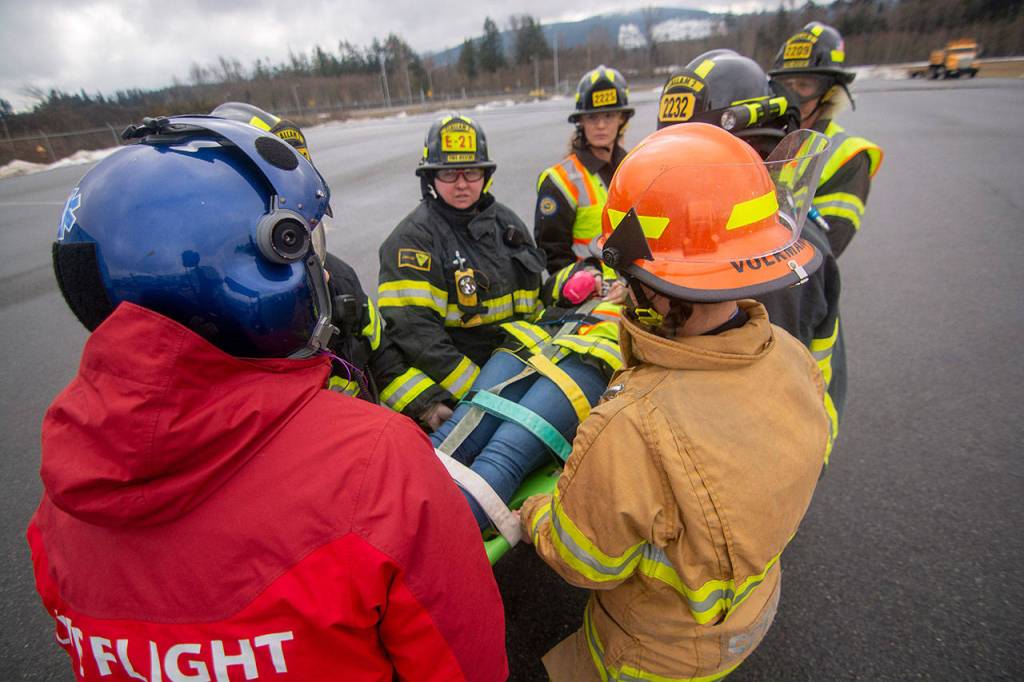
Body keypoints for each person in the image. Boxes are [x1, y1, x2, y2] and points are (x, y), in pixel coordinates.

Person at [31, 115, 507, 680]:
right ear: (263, 264)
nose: (320, 272)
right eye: (304, 245)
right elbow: (464, 662)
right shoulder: (379, 464)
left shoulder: (59, 502)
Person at [520, 123, 830, 681]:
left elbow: (582, 560)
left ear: (652, 284)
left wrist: (537, 512)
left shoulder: (633, 425)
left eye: (626, 273)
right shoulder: (790, 355)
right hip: (750, 616)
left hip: (651, 655)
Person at [210, 101, 451, 427]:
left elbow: (382, 359)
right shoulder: (213, 331)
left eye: (310, 231)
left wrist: (427, 407)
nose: (316, 267)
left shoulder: (338, 278)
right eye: (285, 240)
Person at [657, 49, 845, 461]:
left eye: (701, 162)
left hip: (776, 457)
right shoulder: (736, 229)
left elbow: (752, 398)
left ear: (754, 151)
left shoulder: (769, 255)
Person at [377, 113, 546, 405]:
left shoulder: (508, 225)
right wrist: (481, 393)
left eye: (471, 172)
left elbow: (534, 302)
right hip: (457, 390)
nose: (461, 184)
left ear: (486, 175)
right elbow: (419, 337)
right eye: (448, 174)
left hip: (520, 373)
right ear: (431, 177)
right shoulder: (412, 242)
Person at [769, 21, 884, 257]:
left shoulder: (849, 157)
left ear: (829, 92)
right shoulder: (769, 136)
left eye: (804, 86)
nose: (791, 96)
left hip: (790, 280)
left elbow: (824, 249)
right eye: (786, 85)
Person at [535, 65, 634, 273]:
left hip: (636, 288)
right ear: (580, 121)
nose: (601, 125)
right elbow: (553, 254)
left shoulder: (635, 167)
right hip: (591, 295)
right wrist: (588, 281)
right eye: (592, 117)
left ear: (622, 119)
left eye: (609, 116)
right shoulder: (559, 181)